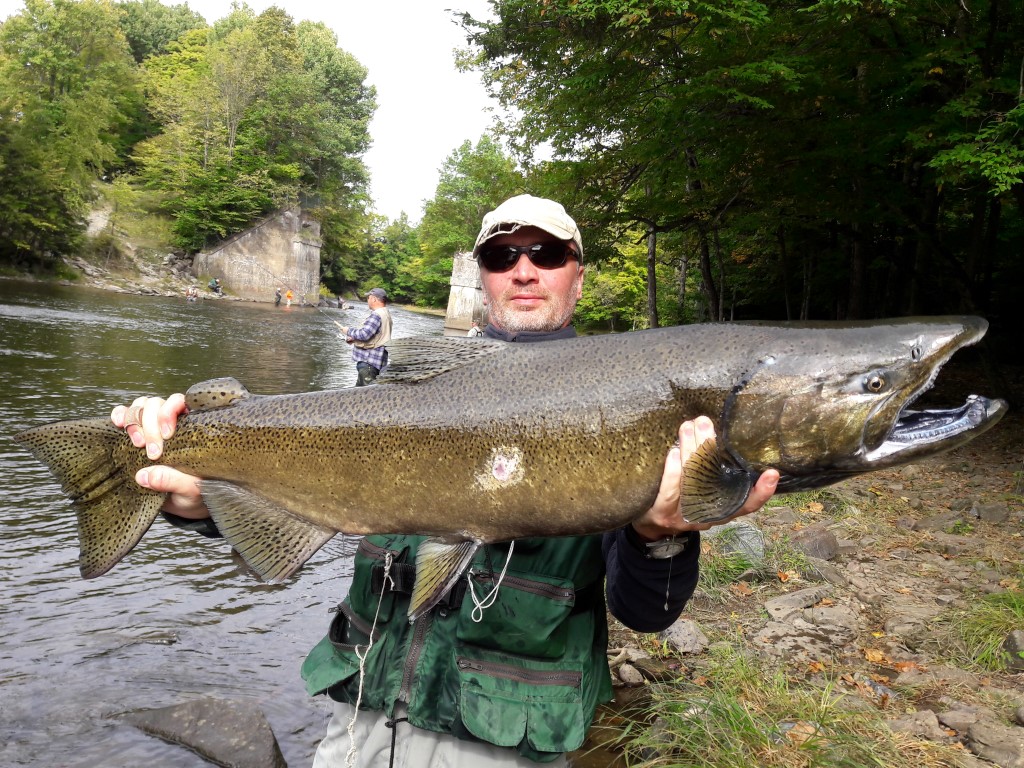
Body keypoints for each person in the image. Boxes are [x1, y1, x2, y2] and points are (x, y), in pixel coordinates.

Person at [110, 194, 779, 768]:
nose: (524, 270)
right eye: (502, 256)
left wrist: (661, 536)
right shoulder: (405, 388)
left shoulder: (630, 402)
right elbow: (309, 494)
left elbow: (646, 614)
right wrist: (196, 502)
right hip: (358, 723)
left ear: (578, 276)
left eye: (547, 254)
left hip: (502, 744)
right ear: (483, 277)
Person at [339, 288, 392, 387]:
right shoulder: (386, 313)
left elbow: (364, 334)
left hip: (369, 363)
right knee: (358, 393)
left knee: (367, 394)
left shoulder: (376, 315)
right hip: (376, 362)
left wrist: (348, 331)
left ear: (374, 299)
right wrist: (354, 339)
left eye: (368, 298)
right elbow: (376, 335)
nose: (367, 300)